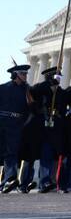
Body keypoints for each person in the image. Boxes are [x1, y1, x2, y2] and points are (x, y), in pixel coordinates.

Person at [0, 63, 31, 192]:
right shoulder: (3, 88)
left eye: (25, 74)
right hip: (2, 123)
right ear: (15, 75)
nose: (25, 76)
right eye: (23, 74)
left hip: (16, 124)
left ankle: (10, 179)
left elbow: (31, 108)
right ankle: (5, 181)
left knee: (11, 152)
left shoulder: (27, 90)